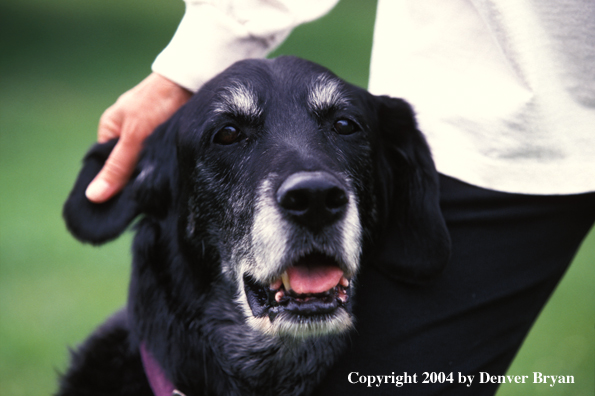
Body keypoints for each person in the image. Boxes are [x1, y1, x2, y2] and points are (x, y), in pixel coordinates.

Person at [85, 1, 595, 394]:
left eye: (344, 127)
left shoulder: (394, 170)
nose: (312, 186)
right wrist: (188, 64)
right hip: (500, 118)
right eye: (229, 135)